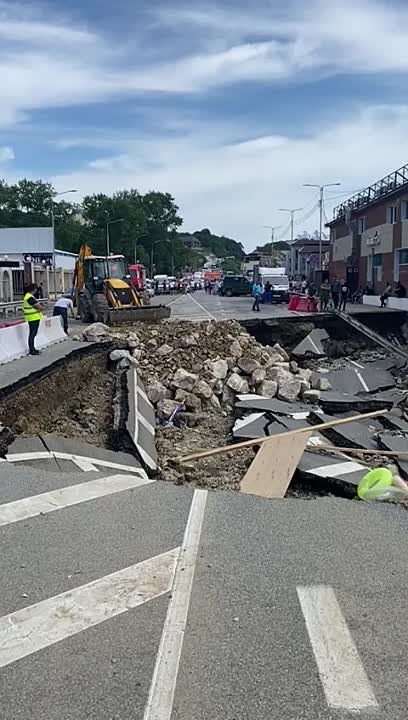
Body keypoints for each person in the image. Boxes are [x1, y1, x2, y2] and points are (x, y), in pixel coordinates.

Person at [23, 283, 44, 356]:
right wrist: (41, 307)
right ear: (34, 289)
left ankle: (33, 349)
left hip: (32, 317)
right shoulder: (29, 297)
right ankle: (32, 350)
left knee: (33, 333)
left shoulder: (28, 296)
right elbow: (39, 307)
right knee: (32, 334)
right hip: (33, 318)